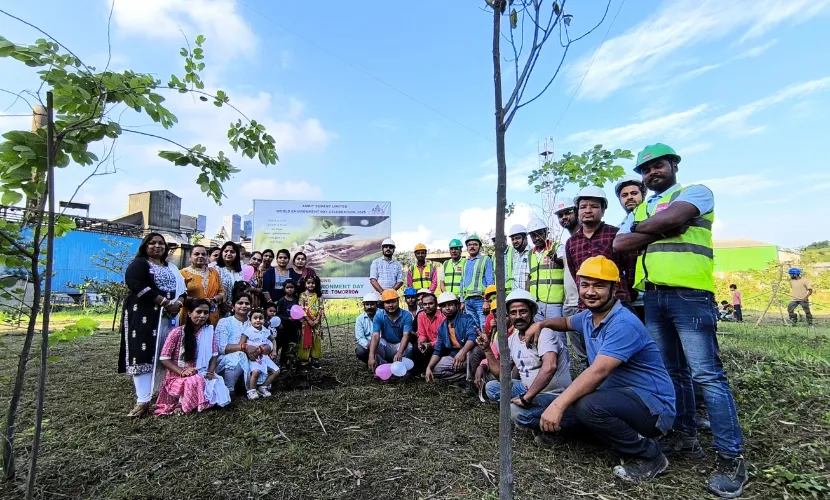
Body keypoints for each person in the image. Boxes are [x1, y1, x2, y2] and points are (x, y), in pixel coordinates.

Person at [613, 143, 747, 498]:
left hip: (690, 295)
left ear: (673, 164)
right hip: (654, 296)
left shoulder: (696, 192)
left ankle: (731, 457)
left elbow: (674, 218)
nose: (651, 173)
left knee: (707, 375)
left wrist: (650, 227)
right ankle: (686, 438)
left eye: (657, 165)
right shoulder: (642, 207)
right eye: (645, 170)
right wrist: (656, 227)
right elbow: (620, 244)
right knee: (672, 372)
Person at [524, 256, 675, 483]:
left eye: (599, 286)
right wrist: (542, 323)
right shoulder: (589, 316)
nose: (590, 292)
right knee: (546, 411)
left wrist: (558, 405)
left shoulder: (623, 323)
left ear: (614, 288)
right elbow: (566, 323)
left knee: (585, 404)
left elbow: (598, 372)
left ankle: (650, 455)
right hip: (618, 399)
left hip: (652, 408)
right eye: (585, 285)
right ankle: (592, 433)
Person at [482, 290, 572, 435]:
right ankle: (532, 412)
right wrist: (487, 349)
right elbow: (502, 376)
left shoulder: (545, 333)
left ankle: (553, 428)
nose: (518, 317)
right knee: (492, 387)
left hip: (553, 395)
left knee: (516, 412)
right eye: (513, 313)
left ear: (532, 312)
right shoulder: (512, 340)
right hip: (526, 389)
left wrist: (526, 398)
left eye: (523, 311)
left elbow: (550, 366)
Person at [119, 232, 187, 418]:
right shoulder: (139, 264)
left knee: (166, 353)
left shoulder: (172, 267)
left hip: (169, 319)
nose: (157, 246)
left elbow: (183, 291)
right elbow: (136, 284)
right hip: (145, 317)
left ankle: (163, 393)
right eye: (152, 243)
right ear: (145, 246)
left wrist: (177, 304)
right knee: (144, 354)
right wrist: (165, 303)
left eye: (161, 243)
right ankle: (143, 400)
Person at [154, 298, 231, 415]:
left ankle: (192, 400)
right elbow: (164, 358)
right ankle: (182, 404)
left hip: (203, 372)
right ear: (189, 313)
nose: (202, 315)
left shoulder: (209, 332)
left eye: (206, 312)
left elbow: (214, 355)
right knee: (195, 381)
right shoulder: (177, 332)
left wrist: (211, 372)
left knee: (217, 386)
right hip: (178, 376)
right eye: (198, 312)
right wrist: (182, 371)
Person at [566, 187, 632, 310]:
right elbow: (575, 274)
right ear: (577, 211)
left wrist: (627, 292)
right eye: (583, 207)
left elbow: (630, 268)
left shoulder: (616, 234)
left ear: (603, 210)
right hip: (586, 305)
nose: (588, 210)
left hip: (617, 302)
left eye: (594, 206)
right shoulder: (571, 242)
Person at [424, 292, 483, 396]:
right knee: (436, 369)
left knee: (473, 351)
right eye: (444, 306)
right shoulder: (442, 327)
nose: (447, 308)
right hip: (455, 357)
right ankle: (464, 376)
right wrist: (428, 367)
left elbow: (473, 337)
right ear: (440, 309)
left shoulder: (467, 318)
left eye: (450, 305)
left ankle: (471, 384)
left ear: (457, 305)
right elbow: (438, 350)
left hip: (469, 354)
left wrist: (462, 352)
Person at [215, 293, 267, 394]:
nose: (244, 306)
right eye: (240, 303)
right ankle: (229, 389)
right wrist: (245, 347)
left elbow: (267, 341)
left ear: (251, 306)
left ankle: (245, 384)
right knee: (239, 356)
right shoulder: (225, 322)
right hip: (227, 360)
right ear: (233, 305)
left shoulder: (254, 322)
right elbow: (221, 348)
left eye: (247, 303)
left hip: (253, 358)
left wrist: (259, 350)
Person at [526, 218, 566, 338]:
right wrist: (528, 299)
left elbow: (566, 265)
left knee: (558, 337)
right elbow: (529, 278)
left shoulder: (557, 247)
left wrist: (556, 258)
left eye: (539, 234)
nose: (537, 238)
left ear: (546, 232)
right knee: (540, 336)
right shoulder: (530, 254)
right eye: (533, 235)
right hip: (536, 303)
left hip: (554, 303)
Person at [615, 176, 648, 322]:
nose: (629, 197)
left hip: (653, 295)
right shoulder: (620, 228)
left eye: (634, 193)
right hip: (629, 298)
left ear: (643, 194)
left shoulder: (654, 217)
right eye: (624, 195)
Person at [367, 289, 414, 371]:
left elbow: (406, 335)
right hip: (386, 344)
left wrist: (400, 352)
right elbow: (375, 335)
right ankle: (381, 368)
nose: (391, 305)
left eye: (393, 302)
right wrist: (371, 357)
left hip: (400, 344)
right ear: (383, 304)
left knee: (409, 346)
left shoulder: (407, 315)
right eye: (387, 302)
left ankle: (402, 369)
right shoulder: (379, 315)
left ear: (398, 301)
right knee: (377, 343)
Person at [241, 308, 281, 399]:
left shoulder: (265, 330)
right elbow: (242, 344)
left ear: (264, 319)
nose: (258, 320)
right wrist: (248, 353)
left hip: (264, 356)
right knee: (256, 372)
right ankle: (252, 390)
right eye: (255, 318)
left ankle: (263, 387)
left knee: (276, 371)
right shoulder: (247, 331)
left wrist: (274, 350)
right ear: (250, 319)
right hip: (254, 357)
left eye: (261, 318)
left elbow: (273, 340)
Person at [180, 244, 224, 326]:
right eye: (196, 254)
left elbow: (222, 291)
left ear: (207, 257)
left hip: (211, 313)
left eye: (203, 254)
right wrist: (200, 301)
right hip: (191, 315)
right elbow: (179, 296)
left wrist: (214, 300)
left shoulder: (213, 272)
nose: (200, 256)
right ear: (190, 257)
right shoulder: (183, 273)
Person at [460, 234, 494, 329]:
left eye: (475, 244)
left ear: (479, 246)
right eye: (470, 245)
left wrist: (487, 301)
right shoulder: (465, 262)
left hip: (480, 300)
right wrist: (462, 301)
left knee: (484, 326)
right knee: (472, 327)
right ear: (467, 247)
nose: (472, 246)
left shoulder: (485, 259)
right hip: (468, 301)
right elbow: (462, 282)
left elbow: (490, 281)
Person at [298, 275, 325, 370]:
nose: (311, 285)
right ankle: (304, 361)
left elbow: (321, 309)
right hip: (306, 323)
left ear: (316, 284)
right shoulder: (302, 295)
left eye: (313, 283)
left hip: (316, 324)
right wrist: (309, 320)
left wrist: (316, 320)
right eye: (308, 283)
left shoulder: (318, 296)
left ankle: (315, 360)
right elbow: (301, 309)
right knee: (305, 339)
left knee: (315, 340)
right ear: (305, 284)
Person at [415, 290, 445, 371]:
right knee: (416, 347)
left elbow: (444, 339)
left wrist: (431, 345)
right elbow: (422, 334)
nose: (427, 306)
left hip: (441, 344)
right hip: (428, 343)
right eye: (425, 304)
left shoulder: (443, 316)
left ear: (436, 304)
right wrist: (421, 341)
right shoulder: (421, 315)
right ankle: (421, 371)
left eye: (430, 303)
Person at [275, 279, 300, 369]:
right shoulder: (281, 301)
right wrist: (287, 318)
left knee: (290, 346)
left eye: (291, 287)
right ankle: (279, 363)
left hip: (293, 327)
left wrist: (299, 328)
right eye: (287, 287)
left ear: (294, 288)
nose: (290, 289)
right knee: (281, 344)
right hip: (283, 327)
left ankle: (288, 362)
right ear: (284, 289)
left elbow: (299, 314)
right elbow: (278, 315)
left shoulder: (296, 301)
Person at [216, 241, 244, 312]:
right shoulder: (215, 269)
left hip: (235, 308)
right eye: (226, 251)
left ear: (237, 254)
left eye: (232, 252)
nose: (229, 254)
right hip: (218, 308)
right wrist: (220, 303)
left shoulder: (239, 271)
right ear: (221, 253)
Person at [355, 292, 381, 365]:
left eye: (372, 304)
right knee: (360, 351)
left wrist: (376, 344)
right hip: (368, 344)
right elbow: (360, 337)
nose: (369, 307)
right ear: (364, 305)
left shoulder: (383, 314)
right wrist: (368, 345)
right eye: (367, 304)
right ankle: (370, 363)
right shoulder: (360, 319)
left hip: (382, 343)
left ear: (377, 304)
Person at [505, 224, 531, 293]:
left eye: (517, 238)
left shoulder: (532, 252)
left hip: (527, 295)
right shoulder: (514, 254)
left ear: (525, 238)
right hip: (515, 295)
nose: (514, 241)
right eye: (512, 239)